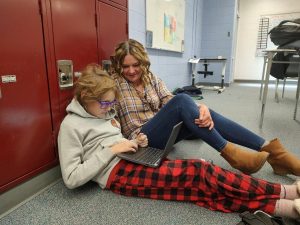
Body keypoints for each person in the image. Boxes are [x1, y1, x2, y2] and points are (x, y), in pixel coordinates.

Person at [57, 64, 300, 220]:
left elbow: (115, 140)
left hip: (130, 156)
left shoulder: (104, 112)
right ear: (85, 98)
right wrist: (113, 149)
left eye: (112, 104)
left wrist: (133, 142)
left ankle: (284, 202)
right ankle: (284, 195)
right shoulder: (71, 126)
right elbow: (71, 179)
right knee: (200, 173)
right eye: (105, 104)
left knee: (201, 187)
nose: (110, 109)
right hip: (115, 174)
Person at [111, 39, 300, 176]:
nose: (131, 71)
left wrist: (201, 107)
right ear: (119, 66)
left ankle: (275, 153)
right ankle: (234, 155)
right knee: (183, 99)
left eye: (136, 65)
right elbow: (104, 115)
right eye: (125, 66)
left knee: (203, 112)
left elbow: (168, 100)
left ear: (143, 63)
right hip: (142, 140)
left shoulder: (150, 77)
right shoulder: (113, 84)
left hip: (163, 130)